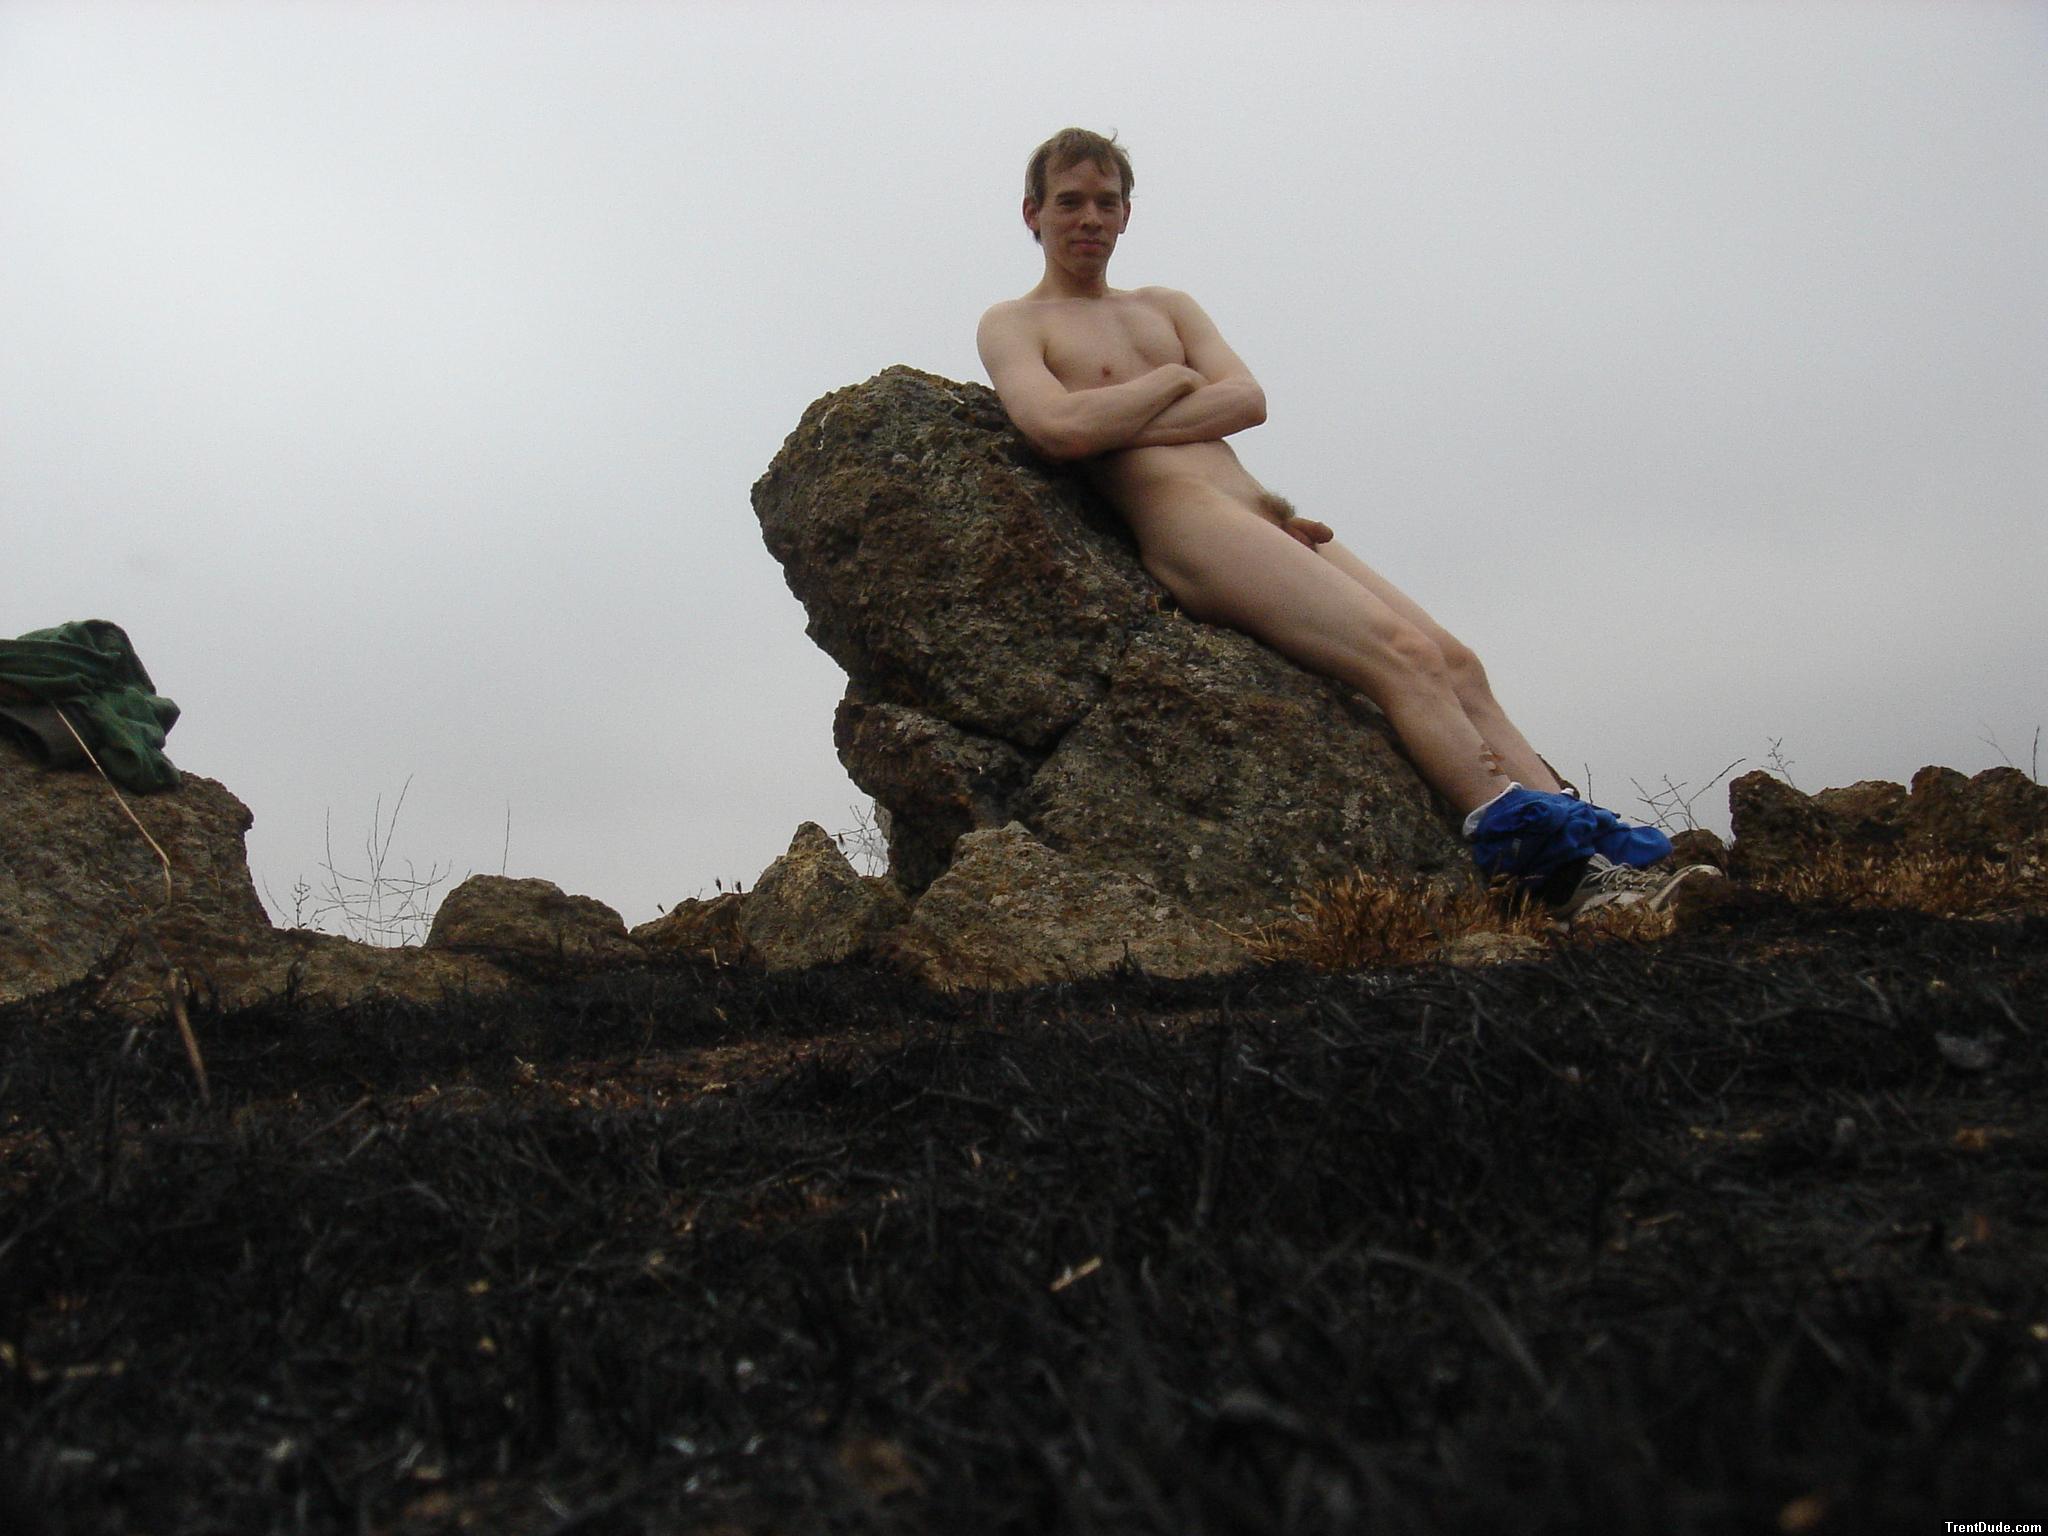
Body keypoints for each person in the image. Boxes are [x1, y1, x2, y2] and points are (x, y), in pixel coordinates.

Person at [976, 128, 1713, 918]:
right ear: (1033, 213)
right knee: (1400, 656)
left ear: (1127, 213)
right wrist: (1176, 381)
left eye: (1106, 202)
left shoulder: (1166, 306)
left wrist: (1113, 417)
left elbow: (1247, 401)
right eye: (1069, 202)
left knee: (1457, 663)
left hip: (1268, 514)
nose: (1090, 218)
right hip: (1189, 524)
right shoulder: (1015, 323)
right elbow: (1056, 429)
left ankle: (1606, 861)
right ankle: (1561, 883)